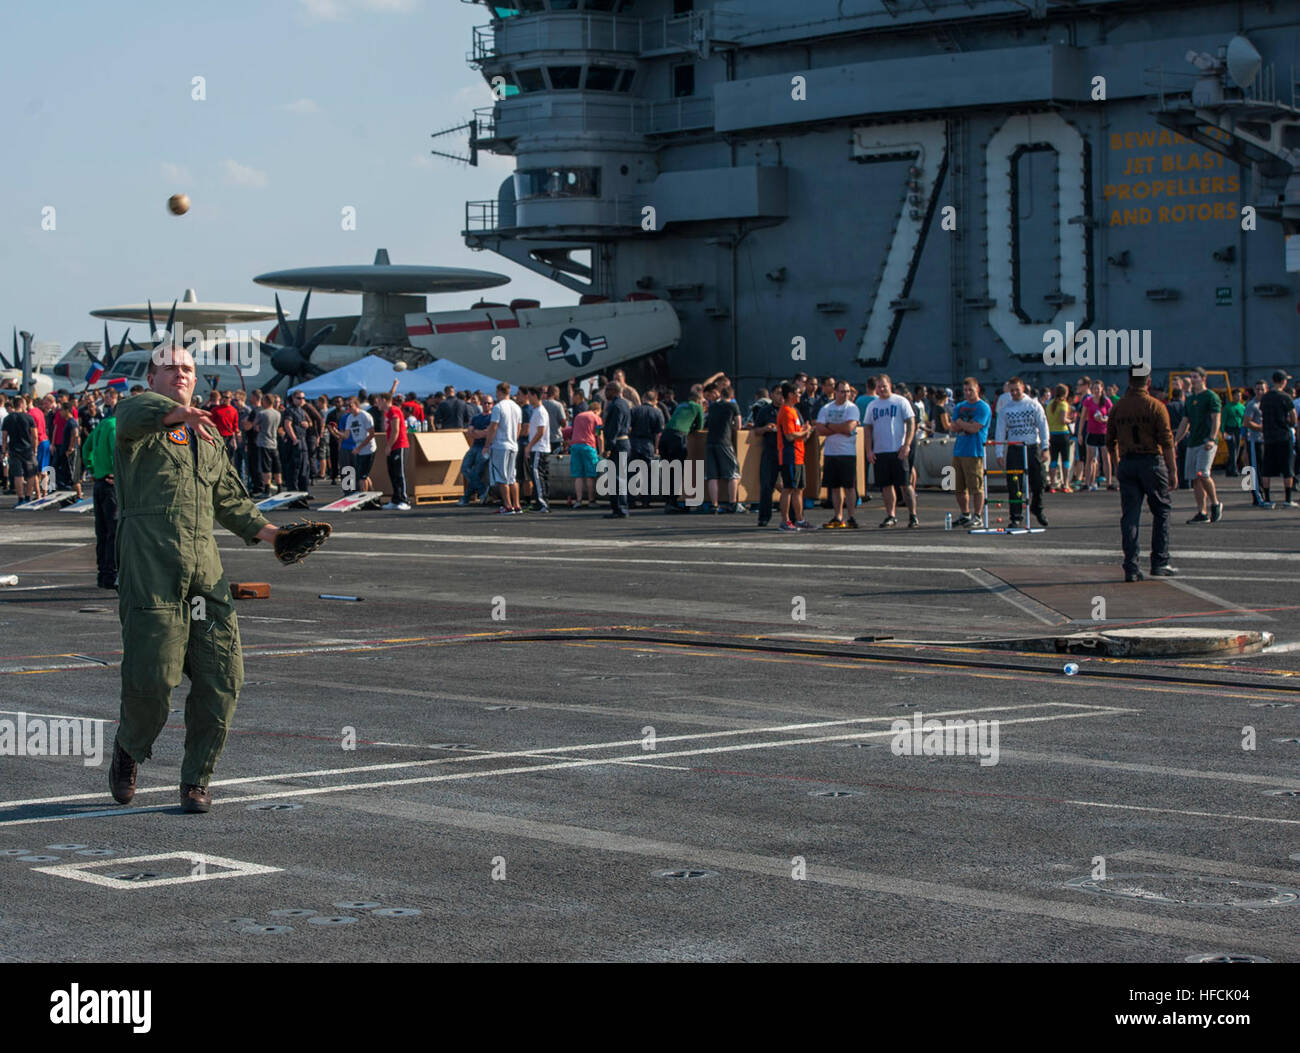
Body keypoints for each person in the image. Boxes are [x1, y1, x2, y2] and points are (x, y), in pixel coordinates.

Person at [108, 344, 281, 813]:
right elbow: (135, 415)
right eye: (169, 368)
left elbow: (230, 499)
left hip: (205, 568)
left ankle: (196, 780)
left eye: (187, 368)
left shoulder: (206, 435)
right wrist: (175, 415)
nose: (180, 373)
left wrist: (274, 535)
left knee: (223, 675)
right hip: (150, 565)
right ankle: (129, 747)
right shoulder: (137, 420)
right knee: (156, 677)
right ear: (152, 377)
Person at [1106, 367, 1178, 581]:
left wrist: (1116, 466)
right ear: (1148, 382)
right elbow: (1167, 442)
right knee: (1162, 511)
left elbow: (1110, 442)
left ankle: (1131, 566)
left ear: (1129, 380)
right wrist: (1172, 470)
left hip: (1128, 462)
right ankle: (1159, 561)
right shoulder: (1156, 406)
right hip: (1151, 462)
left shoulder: (1118, 407)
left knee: (1130, 516)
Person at [994, 377, 1050, 529]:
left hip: (1032, 447)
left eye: (1016, 389)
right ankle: (1016, 516)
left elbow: (1043, 426)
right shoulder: (1006, 408)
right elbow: (1000, 431)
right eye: (1011, 390)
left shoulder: (1033, 405)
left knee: (1039, 481)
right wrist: (999, 452)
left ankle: (1037, 508)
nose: (1014, 393)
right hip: (1014, 448)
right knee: (1014, 484)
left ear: (1023, 388)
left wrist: (1045, 447)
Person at [863, 374, 917, 528]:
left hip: (897, 450)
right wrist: (869, 450)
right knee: (886, 486)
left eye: (884, 386)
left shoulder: (900, 401)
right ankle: (890, 515)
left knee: (905, 485)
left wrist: (907, 445)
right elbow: (867, 428)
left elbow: (911, 422)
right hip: (881, 450)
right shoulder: (873, 405)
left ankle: (913, 515)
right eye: (878, 386)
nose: (881, 389)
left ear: (890, 385)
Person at [1172, 367, 1223, 524]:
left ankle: (1215, 503)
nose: (1192, 380)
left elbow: (1216, 419)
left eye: (1195, 377)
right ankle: (1202, 511)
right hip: (1192, 442)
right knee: (1195, 478)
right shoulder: (1190, 399)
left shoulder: (1211, 397)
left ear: (1203, 378)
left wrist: (1211, 439)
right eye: (1191, 377)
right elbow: (1185, 422)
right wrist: (1176, 440)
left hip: (1205, 442)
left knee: (1203, 473)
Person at [81, 388, 119, 589]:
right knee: (114, 531)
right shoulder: (115, 427)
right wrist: (116, 472)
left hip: (98, 482)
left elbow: (86, 447)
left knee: (102, 530)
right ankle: (112, 573)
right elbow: (116, 451)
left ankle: (103, 573)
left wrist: (92, 467)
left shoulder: (103, 424)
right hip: (111, 484)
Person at [814, 380, 860, 528]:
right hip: (831, 452)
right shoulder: (826, 408)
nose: (845, 394)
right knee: (834, 487)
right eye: (842, 391)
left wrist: (829, 426)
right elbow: (819, 429)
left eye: (847, 391)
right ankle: (838, 516)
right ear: (835, 392)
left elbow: (849, 428)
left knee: (849, 487)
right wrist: (837, 428)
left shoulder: (852, 408)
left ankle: (851, 516)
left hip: (847, 453)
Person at [948, 377, 991, 527]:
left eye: (970, 390)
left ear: (977, 389)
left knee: (976, 486)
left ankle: (978, 515)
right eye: (965, 390)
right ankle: (964, 513)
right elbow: (952, 427)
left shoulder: (983, 407)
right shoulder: (960, 406)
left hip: (974, 451)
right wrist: (963, 425)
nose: (967, 393)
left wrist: (961, 423)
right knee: (958, 486)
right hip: (959, 450)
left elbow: (975, 428)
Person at [1256, 370, 1298, 508]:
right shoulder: (1285, 397)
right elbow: (1293, 416)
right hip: (1283, 436)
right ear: (1283, 381)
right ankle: (1288, 499)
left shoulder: (1265, 398)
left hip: (1268, 437)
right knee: (1287, 469)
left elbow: (1263, 414)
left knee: (1267, 469)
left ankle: (1267, 499)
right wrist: (1290, 423)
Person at [660, 385, 705, 513]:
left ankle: (668, 501)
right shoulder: (697, 407)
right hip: (678, 437)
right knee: (677, 469)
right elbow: (700, 426)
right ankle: (674, 502)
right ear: (698, 400)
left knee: (667, 469)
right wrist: (691, 430)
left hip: (665, 436)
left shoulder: (680, 406)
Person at [776, 382, 813, 531]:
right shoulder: (786, 411)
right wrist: (805, 432)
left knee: (798, 489)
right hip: (789, 455)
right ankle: (785, 521)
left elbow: (798, 434)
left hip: (798, 454)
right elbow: (790, 436)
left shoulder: (794, 411)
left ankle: (800, 519)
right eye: (797, 393)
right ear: (790, 395)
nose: (799, 395)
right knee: (789, 489)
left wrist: (805, 432)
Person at [704, 381, 743, 513]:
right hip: (724, 441)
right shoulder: (733, 406)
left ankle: (714, 505)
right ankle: (733, 503)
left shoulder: (713, 406)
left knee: (712, 476)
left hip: (710, 442)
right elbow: (738, 425)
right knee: (733, 473)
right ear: (732, 396)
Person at [484, 381, 522, 515]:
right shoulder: (517, 407)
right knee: (512, 477)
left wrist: (487, 445)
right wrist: (514, 439)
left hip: (501, 445)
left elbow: (493, 427)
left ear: (499, 392)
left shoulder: (498, 407)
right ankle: (516, 505)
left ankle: (507, 505)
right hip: (513, 445)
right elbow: (519, 428)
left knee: (501, 477)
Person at [628, 388, 663, 509]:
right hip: (648, 445)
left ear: (643, 398)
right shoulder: (657, 412)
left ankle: (631, 500)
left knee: (632, 472)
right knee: (648, 474)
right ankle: (646, 501)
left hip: (634, 443)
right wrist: (657, 448)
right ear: (655, 400)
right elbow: (658, 433)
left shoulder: (634, 410)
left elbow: (628, 427)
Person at [1, 394, 39, 506]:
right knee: (31, 473)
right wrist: (35, 448)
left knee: (18, 474)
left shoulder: (8, 418)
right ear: (22, 404)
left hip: (14, 448)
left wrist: (4, 451)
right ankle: (28, 497)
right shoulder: (28, 417)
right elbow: (35, 435)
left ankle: (20, 498)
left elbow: (4, 437)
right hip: (27, 448)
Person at [376, 389, 411, 510]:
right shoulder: (387, 412)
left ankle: (404, 500)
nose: (377, 403)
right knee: (392, 473)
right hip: (393, 446)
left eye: (379, 401)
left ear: (384, 401)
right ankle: (396, 499)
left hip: (399, 445)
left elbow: (396, 430)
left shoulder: (394, 410)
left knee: (399, 474)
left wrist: (389, 445)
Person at [602, 381, 632, 518]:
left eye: (607, 390)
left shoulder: (615, 405)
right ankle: (621, 507)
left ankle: (619, 508)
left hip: (617, 443)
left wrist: (608, 447)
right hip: (624, 442)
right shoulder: (625, 404)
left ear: (614, 390)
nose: (605, 393)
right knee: (621, 476)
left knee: (616, 477)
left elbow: (614, 427)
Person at [569, 397, 603, 507]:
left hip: (575, 446)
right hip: (588, 446)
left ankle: (578, 501)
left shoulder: (578, 416)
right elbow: (599, 435)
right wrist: (601, 451)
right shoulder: (596, 417)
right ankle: (591, 501)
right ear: (597, 410)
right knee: (590, 475)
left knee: (578, 475)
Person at [1080, 379, 1113, 491]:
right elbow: (1083, 418)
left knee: (1105, 457)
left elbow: (1112, 415)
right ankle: (1087, 483)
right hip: (1092, 432)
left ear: (1102, 389)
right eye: (1094, 388)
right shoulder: (1088, 401)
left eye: (1098, 388)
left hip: (1103, 432)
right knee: (1090, 458)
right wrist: (1080, 433)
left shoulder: (1106, 401)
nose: (1096, 390)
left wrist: (1104, 419)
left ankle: (1109, 483)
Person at [523, 388, 552, 512]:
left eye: (529, 395)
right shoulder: (537, 411)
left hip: (539, 448)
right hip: (539, 447)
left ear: (534, 395)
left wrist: (529, 445)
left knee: (537, 475)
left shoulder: (540, 411)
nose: (528, 398)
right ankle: (540, 501)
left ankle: (542, 502)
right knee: (539, 476)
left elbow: (541, 431)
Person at [1045, 384, 1075, 493]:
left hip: (1052, 435)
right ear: (1065, 394)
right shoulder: (1063, 404)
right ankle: (1065, 484)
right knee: (1065, 460)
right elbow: (1063, 420)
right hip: (1063, 434)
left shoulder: (1049, 404)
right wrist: (1071, 421)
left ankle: (1053, 485)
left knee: (1053, 460)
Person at [1221, 388, 1244, 477]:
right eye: (1236, 395)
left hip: (1238, 429)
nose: (1238, 397)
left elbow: (1243, 419)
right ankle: (1234, 469)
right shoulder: (1228, 407)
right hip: (1229, 429)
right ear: (1233, 396)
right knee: (1232, 449)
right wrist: (1223, 431)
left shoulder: (1242, 407)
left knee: (1237, 449)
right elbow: (1223, 420)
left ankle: (1229, 468)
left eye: (1239, 396)